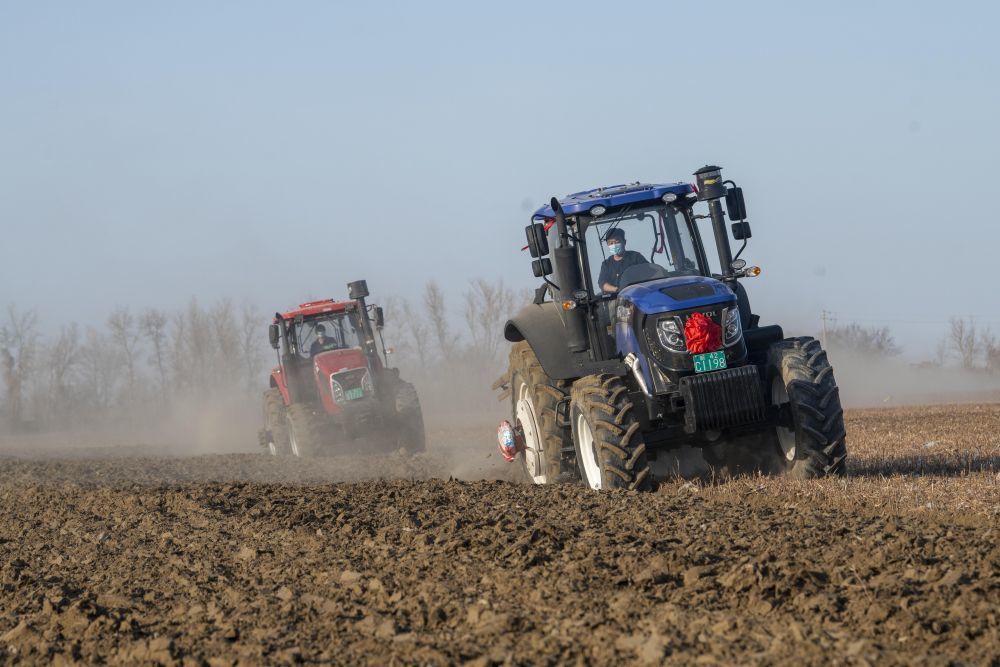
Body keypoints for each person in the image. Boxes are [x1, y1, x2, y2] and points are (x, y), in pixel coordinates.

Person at [598, 228, 648, 293]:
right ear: (608, 245)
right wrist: (617, 290)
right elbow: (602, 283)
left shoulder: (636, 257)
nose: (614, 245)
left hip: (637, 293)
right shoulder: (606, 264)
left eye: (617, 242)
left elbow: (648, 272)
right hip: (616, 297)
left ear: (624, 242)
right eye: (611, 243)